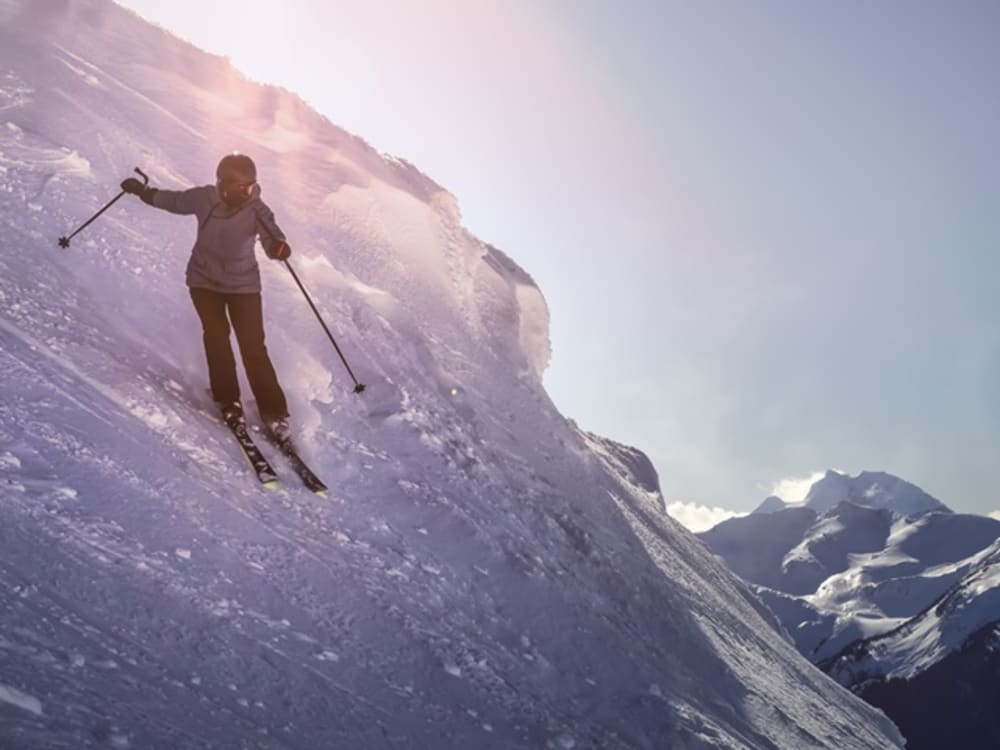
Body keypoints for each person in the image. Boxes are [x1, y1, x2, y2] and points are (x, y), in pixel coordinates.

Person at [121, 153, 292, 444]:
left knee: (253, 348)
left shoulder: (257, 210)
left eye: (251, 187)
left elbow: (272, 238)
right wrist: (144, 192)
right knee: (216, 336)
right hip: (204, 281)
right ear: (225, 185)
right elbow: (174, 201)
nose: (248, 192)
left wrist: (279, 247)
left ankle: (275, 414)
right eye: (242, 188)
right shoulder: (204, 198)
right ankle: (229, 401)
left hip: (243, 287)